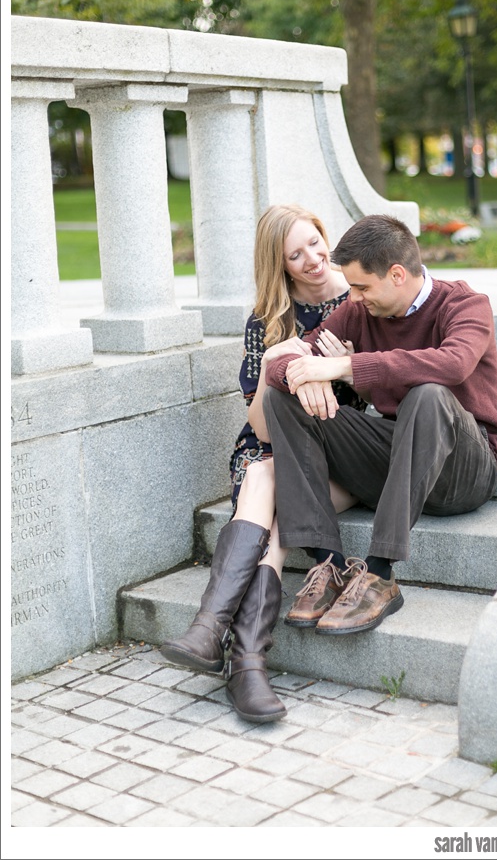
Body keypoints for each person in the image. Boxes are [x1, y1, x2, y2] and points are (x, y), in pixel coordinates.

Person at [263, 214, 497, 636]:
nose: (354, 298)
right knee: (281, 397)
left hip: (464, 470)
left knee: (430, 393)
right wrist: (299, 376)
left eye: (362, 287)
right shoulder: (358, 311)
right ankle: (329, 564)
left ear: (397, 274)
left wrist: (343, 366)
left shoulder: (465, 304)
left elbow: (452, 364)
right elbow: (290, 361)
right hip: (400, 460)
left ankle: (380, 573)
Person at [161, 205, 360, 721]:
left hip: (339, 454)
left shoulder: (359, 298)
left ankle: (215, 633)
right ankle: (245, 661)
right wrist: (278, 363)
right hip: (269, 449)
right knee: (265, 472)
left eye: (315, 243)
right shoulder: (267, 320)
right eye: (295, 255)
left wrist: (328, 368)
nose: (313, 259)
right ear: (280, 265)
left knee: (271, 484)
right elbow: (264, 429)